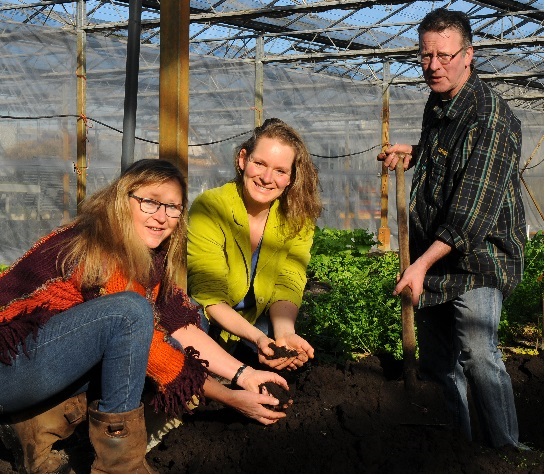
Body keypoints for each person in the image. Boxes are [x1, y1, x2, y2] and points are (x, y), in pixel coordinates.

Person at [0, 159, 291, 474]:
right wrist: (228, 397)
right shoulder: (99, 248)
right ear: (123, 200)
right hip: (8, 370)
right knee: (130, 315)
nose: (162, 217)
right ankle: (120, 466)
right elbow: (153, 349)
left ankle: (31, 426)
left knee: (189, 315)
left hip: (36, 366)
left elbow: (181, 328)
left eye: (173, 207)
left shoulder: (146, 255)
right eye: (150, 202)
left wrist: (245, 375)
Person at [377, 8, 527, 449]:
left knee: (479, 354)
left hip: (478, 258)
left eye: (444, 55)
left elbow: (471, 210)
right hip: (435, 256)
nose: (433, 66)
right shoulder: (440, 103)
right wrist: (416, 152)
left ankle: (505, 449)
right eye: (425, 56)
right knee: (442, 364)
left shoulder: (492, 117)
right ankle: (461, 449)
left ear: (469, 55)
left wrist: (419, 266)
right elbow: (450, 159)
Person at [187, 118, 322, 371]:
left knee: (286, 359)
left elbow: (287, 282)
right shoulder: (211, 207)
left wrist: (284, 334)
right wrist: (259, 338)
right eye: (260, 163)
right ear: (243, 159)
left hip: (254, 316)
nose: (267, 178)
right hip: (209, 316)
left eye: (280, 171)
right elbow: (209, 295)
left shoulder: (297, 218)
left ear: (291, 178)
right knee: (190, 318)